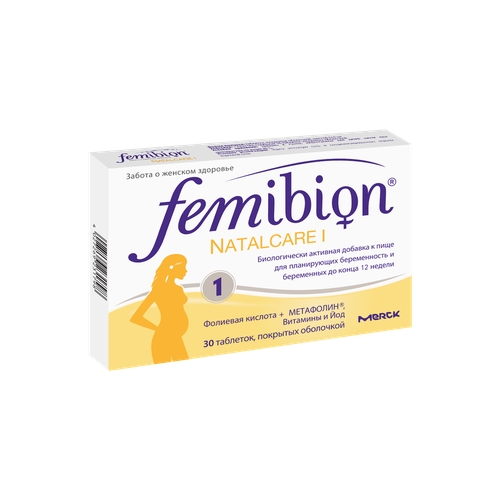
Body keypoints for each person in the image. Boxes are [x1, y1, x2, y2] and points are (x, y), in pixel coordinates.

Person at [130, 254, 189, 363]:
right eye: (183, 267)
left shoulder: (178, 289)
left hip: (175, 337)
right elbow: (136, 317)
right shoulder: (158, 289)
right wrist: (159, 330)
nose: (186, 270)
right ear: (172, 268)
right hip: (163, 339)